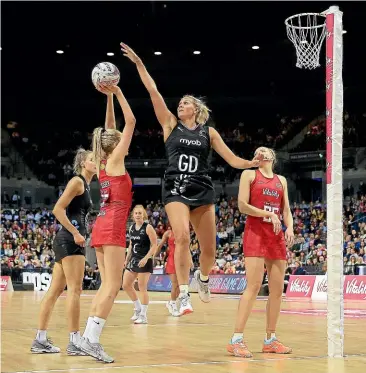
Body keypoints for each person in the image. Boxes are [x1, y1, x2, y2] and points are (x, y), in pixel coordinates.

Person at [121, 42, 261, 315]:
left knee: (210, 250)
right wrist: (139, 63)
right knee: (182, 236)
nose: (180, 104)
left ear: (195, 109)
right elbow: (153, 90)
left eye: (185, 103)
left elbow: (232, 160)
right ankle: (184, 294)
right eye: (180, 102)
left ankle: (203, 279)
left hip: (202, 189)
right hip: (174, 187)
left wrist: (251, 164)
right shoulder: (169, 124)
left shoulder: (209, 133)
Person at [78, 83, 136, 363]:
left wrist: (109, 97)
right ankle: (92, 340)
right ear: (116, 145)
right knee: (113, 286)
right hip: (112, 225)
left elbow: (109, 128)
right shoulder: (115, 160)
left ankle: (87, 339)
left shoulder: (102, 162)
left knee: (105, 285)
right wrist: (120, 91)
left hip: (100, 224)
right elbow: (132, 121)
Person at [227, 147, 294, 358]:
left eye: (265, 150)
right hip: (255, 233)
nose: (260, 152)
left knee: (276, 291)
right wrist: (268, 214)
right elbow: (242, 205)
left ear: (272, 157)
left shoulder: (280, 180)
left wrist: (289, 227)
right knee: (254, 285)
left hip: (275, 236)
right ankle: (236, 339)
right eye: (257, 150)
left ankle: (270, 339)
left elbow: (286, 210)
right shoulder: (249, 174)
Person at [31, 149, 96, 355]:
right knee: (75, 290)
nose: (97, 162)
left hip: (65, 241)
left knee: (55, 291)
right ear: (83, 163)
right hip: (69, 241)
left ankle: (40, 340)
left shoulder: (85, 185)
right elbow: (57, 209)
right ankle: (75, 341)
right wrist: (76, 233)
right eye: (93, 159)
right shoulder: (77, 182)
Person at [123, 205, 158, 324]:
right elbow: (131, 245)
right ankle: (137, 308)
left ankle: (143, 315)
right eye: (136, 213)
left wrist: (146, 258)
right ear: (133, 216)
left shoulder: (148, 228)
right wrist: (126, 259)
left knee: (142, 287)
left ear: (143, 215)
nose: (138, 215)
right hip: (134, 259)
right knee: (126, 285)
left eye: (140, 213)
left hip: (145, 259)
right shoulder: (132, 228)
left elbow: (154, 245)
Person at [156, 226, 194, 317]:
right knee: (175, 284)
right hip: (172, 260)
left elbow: (186, 248)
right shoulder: (168, 233)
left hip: (182, 260)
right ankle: (173, 304)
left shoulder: (183, 233)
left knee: (179, 286)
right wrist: (152, 256)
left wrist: (190, 259)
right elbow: (160, 245)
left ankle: (171, 303)